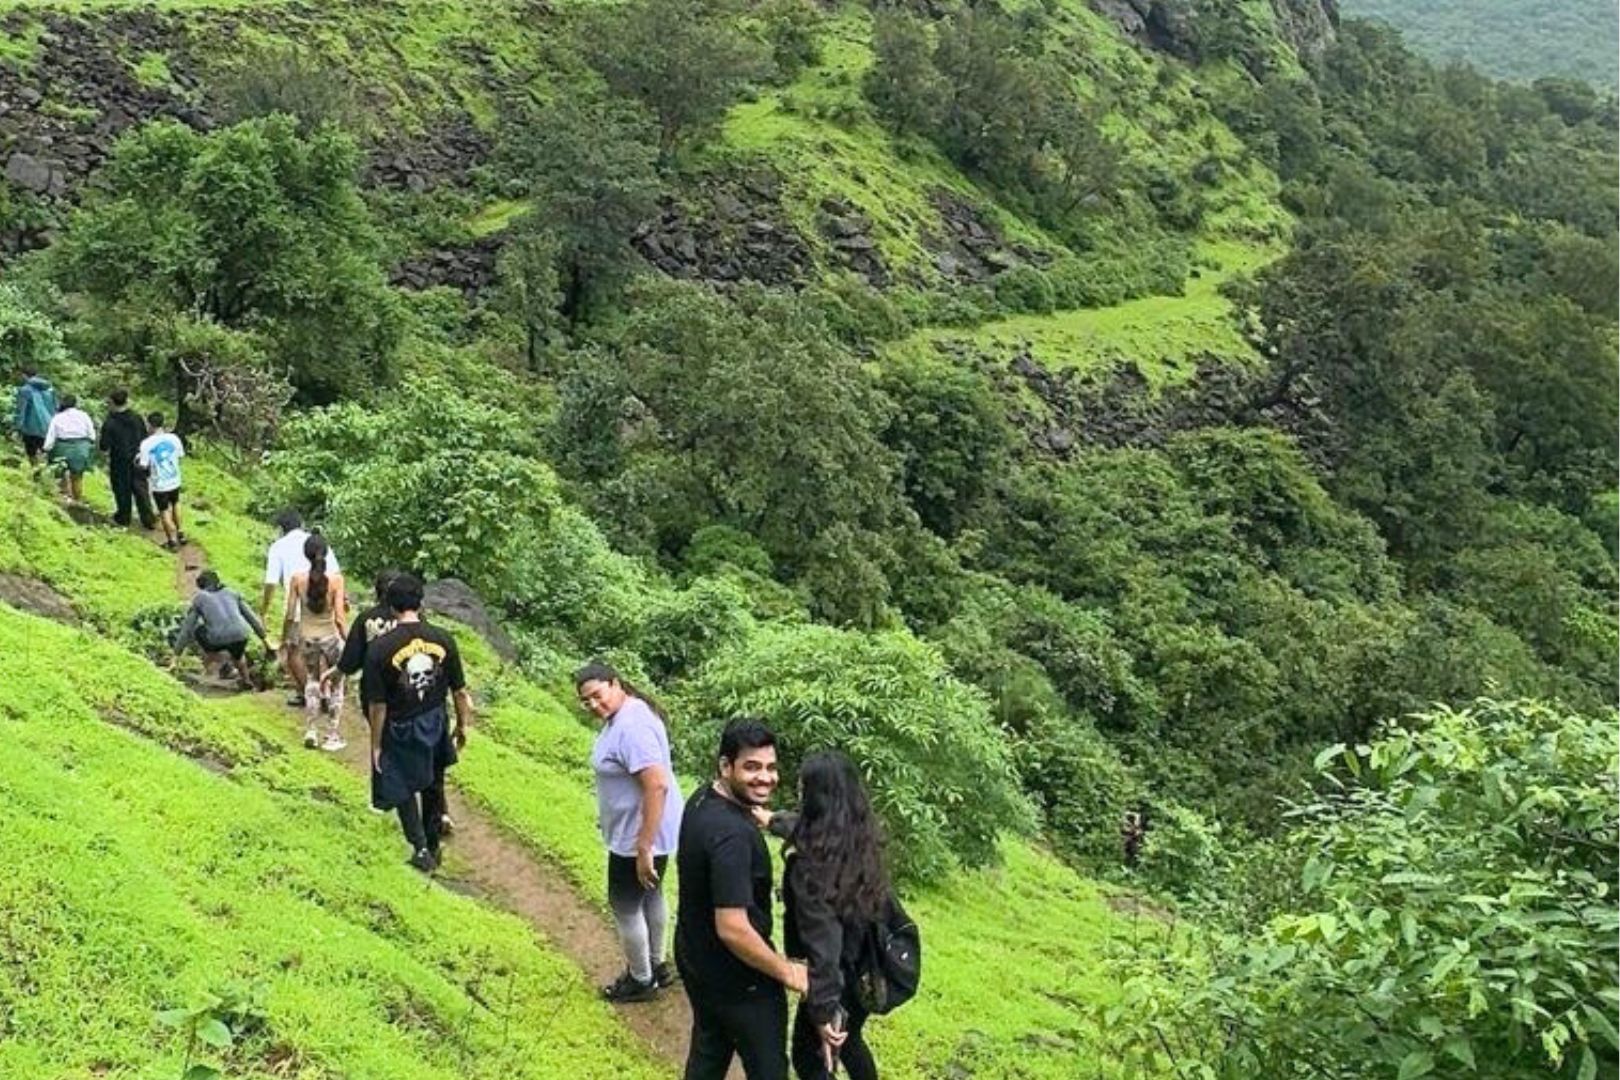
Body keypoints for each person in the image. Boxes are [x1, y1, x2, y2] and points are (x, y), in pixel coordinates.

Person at [675, 719, 807, 1080]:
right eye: (751, 767)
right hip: (741, 978)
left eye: (770, 767)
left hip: (696, 956)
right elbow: (733, 927)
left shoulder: (704, 798)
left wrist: (769, 820)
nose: (765, 777)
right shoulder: (732, 836)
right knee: (768, 1069)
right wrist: (787, 971)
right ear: (725, 766)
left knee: (710, 1048)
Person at [756, 752, 895, 1080]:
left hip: (831, 978)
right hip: (864, 967)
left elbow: (824, 946)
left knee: (811, 1057)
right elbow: (802, 828)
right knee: (851, 1040)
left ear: (815, 798)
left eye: (804, 789)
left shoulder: (812, 868)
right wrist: (770, 819)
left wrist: (822, 1009)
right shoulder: (856, 839)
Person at [576, 661, 685, 1003]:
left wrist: (643, 848)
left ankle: (641, 979)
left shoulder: (631, 728)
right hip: (653, 829)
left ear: (615, 683)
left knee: (624, 905)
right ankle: (656, 963)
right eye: (586, 701)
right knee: (650, 893)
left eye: (598, 694)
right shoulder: (632, 713)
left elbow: (656, 786)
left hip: (640, 835)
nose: (594, 704)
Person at [362, 573, 473, 874]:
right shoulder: (443, 639)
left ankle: (421, 847)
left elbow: (377, 705)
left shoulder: (380, 649)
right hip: (435, 720)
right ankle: (433, 845)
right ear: (421, 602)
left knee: (401, 785)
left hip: (399, 725)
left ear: (389, 606)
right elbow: (460, 692)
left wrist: (375, 744)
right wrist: (462, 726)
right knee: (433, 783)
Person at [261, 509, 342, 708]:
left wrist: (263, 609)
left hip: (299, 607)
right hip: (326, 604)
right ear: (302, 523)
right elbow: (335, 573)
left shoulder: (278, 547)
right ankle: (325, 691)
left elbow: (271, 582)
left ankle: (308, 692)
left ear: (281, 529)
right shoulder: (318, 542)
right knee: (321, 650)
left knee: (293, 653)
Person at [284, 534, 349, 751]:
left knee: (312, 681)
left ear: (306, 554)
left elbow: (290, 614)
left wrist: (285, 637)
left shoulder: (296, 580)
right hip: (331, 636)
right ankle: (332, 734)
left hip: (307, 637)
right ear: (327, 553)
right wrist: (349, 640)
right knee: (338, 683)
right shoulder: (337, 581)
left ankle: (311, 730)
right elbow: (339, 617)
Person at [175, 570, 270, 691]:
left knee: (198, 630)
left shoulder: (199, 598)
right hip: (241, 635)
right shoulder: (232, 593)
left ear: (201, 586)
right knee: (238, 654)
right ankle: (246, 680)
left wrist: (176, 654)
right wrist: (265, 640)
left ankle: (221, 662)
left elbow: (187, 628)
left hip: (218, 639)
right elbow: (252, 619)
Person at [100, 389, 156, 529]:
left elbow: (104, 445)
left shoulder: (110, 422)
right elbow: (145, 438)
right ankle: (148, 518)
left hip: (119, 461)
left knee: (121, 489)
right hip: (138, 458)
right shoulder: (137, 418)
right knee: (141, 489)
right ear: (127, 401)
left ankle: (124, 517)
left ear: (112, 402)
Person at [136, 413, 185, 550]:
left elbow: (143, 465)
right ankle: (181, 532)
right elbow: (180, 456)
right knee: (176, 503)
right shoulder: (174, 438)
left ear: (149, 425)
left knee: (164, 511)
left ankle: (172, 541)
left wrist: (137, 463)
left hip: (159, 483)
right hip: (174, 479)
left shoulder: (147, 444)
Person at [42, 394, 96, 503]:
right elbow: (92, 436)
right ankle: (77, 501)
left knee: (60, 475)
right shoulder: (84, 415)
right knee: (77, 477)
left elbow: (51, 436)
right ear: (76, 404)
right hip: (80, 449)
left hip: (61, 448)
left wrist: (46, 449)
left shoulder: (57, 417)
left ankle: (65, 498)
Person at [12, 366, 56, 465]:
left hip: (31, 429)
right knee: (48, 453)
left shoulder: (25, 390)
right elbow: (55, 408)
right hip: (49, 426)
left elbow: (21, 410)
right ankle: (51, 475)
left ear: (24, 375)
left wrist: (17, 428)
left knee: (32, 454)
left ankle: (36, 476)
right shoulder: (49, 390)